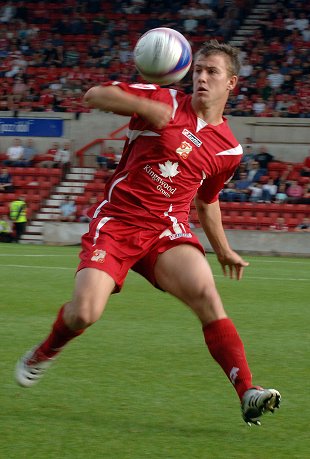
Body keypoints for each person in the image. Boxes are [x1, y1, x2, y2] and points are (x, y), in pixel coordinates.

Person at [15, 40, 281, 426]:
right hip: (118, 223)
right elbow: (94, 95)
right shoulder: (166, 101)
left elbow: (207, 202)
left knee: (207, 296)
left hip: (166, 230)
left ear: (232, 83)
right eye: (199, 70)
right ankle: (45, 351)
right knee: (85, 313)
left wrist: (223, 250)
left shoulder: (229, 150)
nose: (202, 78)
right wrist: (145, 106)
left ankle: (247, 392)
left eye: (213, 72)